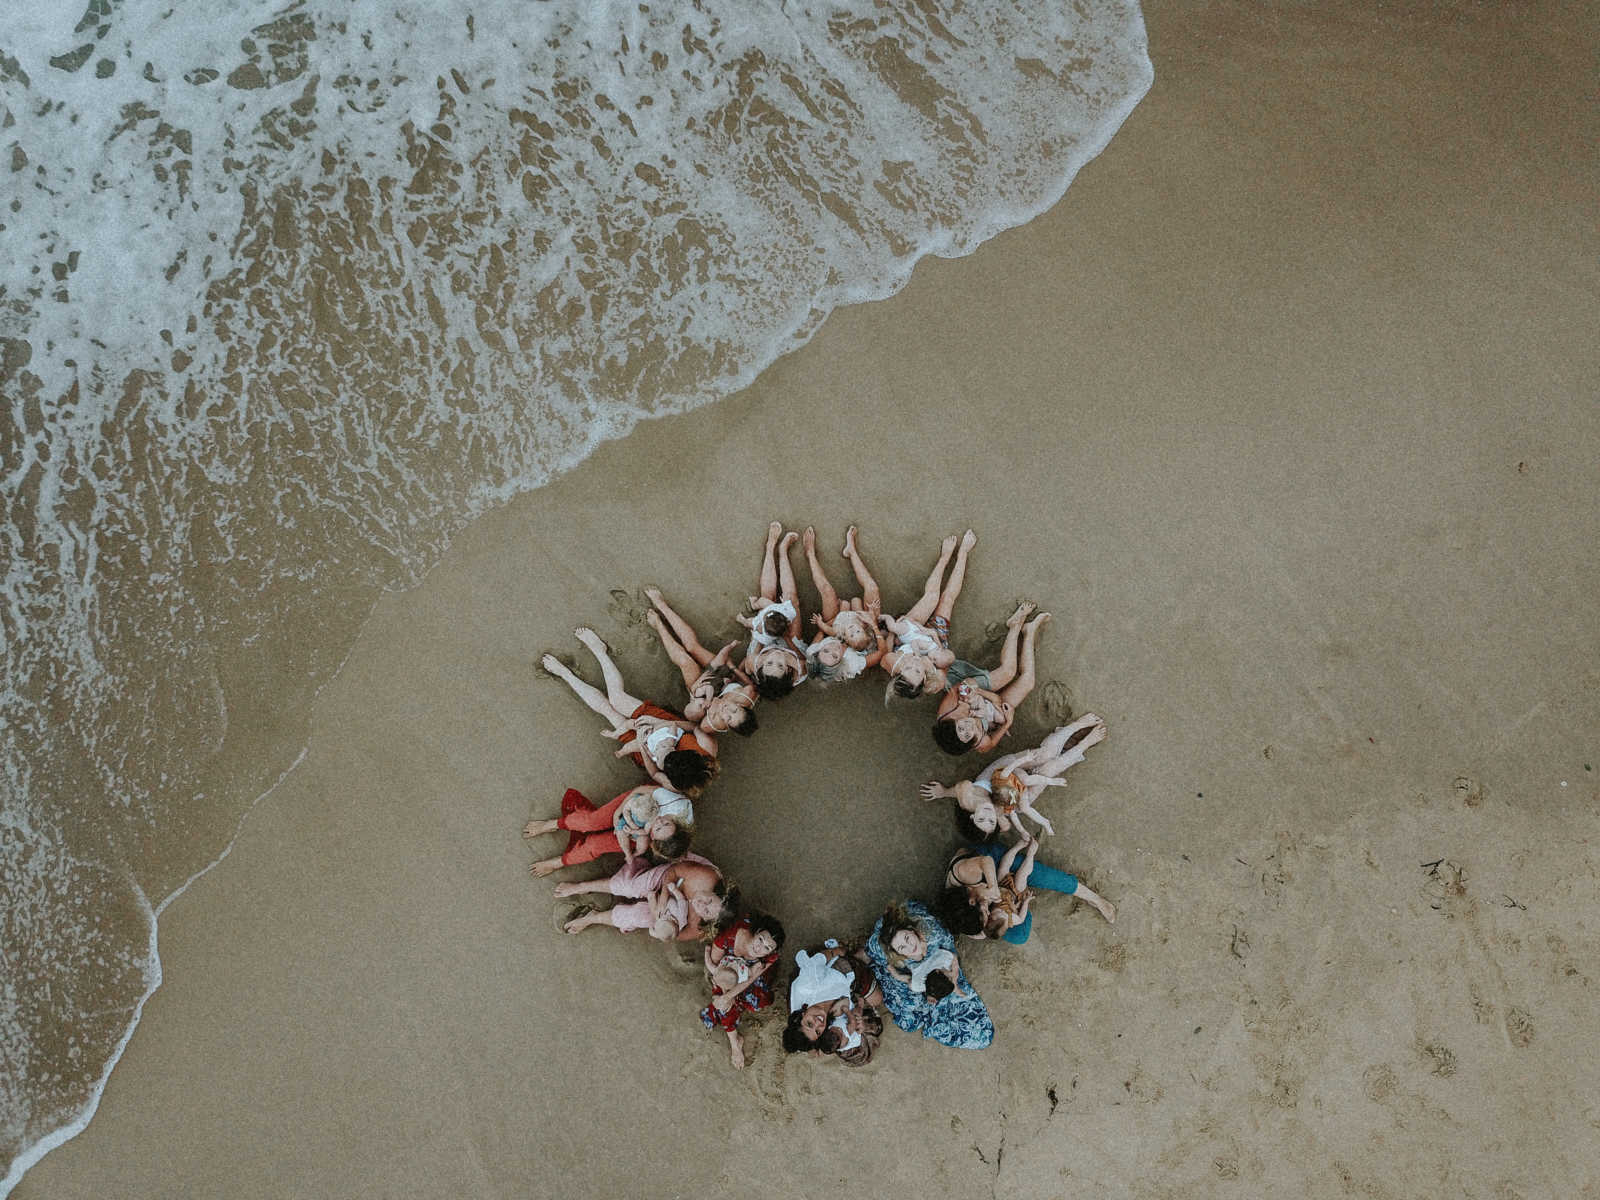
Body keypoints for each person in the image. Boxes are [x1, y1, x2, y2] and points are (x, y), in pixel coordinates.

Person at [540, 626, 717, 795]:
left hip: (644, 747)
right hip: (666, 725)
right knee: (616, 698)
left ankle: (565, 674)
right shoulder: (707, 749)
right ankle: (599, 651)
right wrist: (661, 723)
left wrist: (641, 744)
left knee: (607, 710)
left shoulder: (677, 784)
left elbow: (655, 774)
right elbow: (693, 726)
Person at [921, 712, 1108, 839]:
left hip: (1000, 772)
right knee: (1050, 769)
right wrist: (1021, 830)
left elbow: (957, 790)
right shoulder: (999, 820)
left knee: (1045, 754)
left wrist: (943, 792)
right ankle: (1084, 745)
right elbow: (1007, 825)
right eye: (990, 821)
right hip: (1018, 795)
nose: (987, 815)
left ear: (971, 816)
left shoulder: (966, 795)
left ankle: (1076, 726)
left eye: (980, 818)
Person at [935, 832, 1115, 944]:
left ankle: (1095, 899)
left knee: (1043, 876)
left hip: (995, 862)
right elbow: (972, 930)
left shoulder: (963, 873)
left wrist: (994, 888)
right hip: (1006, 895)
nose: (988, 912)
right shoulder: (965, 915)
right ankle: (1020, 897)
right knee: (1019, 935)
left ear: (972, 900)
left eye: (984, 910)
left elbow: (986, 862)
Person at [863, 901, 993, 1049]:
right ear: (898, 952)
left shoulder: (934, 933)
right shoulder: (890, 954)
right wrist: (896, 974)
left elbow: (951, 955)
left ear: (912, 931)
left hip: (936, 962)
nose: (910, 947)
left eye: (907, 938)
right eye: (902, 947)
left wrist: (954, 977)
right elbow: (875, 953)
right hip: (914, 971)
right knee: (911, 1007)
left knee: (953, 997)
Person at [931, 603, 1050, 755]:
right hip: (992, 709)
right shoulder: (981, 743)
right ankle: (1029, 632)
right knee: (1027, 683)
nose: (969, 727)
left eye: (960, 727)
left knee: (1008, 672)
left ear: (953, 721)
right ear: (973, 742)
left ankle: (1015, 626)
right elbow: (991, 743)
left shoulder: (949, 711)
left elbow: (961, 686)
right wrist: (1007, 723)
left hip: (966, 685)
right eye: (967, 735)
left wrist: (977, 691)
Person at [643, 587, 758, 738]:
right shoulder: (748, 695)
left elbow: (694, 716)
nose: (727, 711)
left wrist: (697, 698)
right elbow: (749, 683)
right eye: (735, 710)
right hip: (722, 674)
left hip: (701, 690)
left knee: (686, 661)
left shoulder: (711, 724)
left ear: (728, 725)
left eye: (729, 718)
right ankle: (662, 605)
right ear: (743, 706)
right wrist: (733, 668)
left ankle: (659, 625)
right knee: (692, 647)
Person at [879, 530, 977, 701]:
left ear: (899, 671)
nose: (915, 665)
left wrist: (894, 631)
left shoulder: (892, 662)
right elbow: (946, 660)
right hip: (936, 643)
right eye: (918, 672)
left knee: (932, 597)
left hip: (909, 631)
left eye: (909, 669)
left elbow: (886, 650)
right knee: (947, 599)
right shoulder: (935, 680)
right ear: (924, 679)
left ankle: (945, 557)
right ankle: (963, 554)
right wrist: (935, 644)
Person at [522, 784, 692, 876]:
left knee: (596, 846)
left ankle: (559, 862)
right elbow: (639, 790)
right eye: (666, 823)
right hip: (638, 803)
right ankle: (552, 825)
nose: (660, 821)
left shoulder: (652, 839)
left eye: (658, 829)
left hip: (638, 831)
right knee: (591, 822)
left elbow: (645, 840)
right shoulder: (675, 805)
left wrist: (633, 833)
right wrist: (620, 811)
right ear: (676, 824)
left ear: (653, 840)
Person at [555, 853, 728, 941]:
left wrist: (659, 922)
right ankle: (582, 887)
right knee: (631, 887)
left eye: (705, 911)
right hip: (673, 877)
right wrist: (662, 899)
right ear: (715, 893)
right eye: (710, 900)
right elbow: (674, 871)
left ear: (705, 920)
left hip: (668, 911)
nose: (702, 903)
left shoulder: (699, 928)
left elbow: (673, 935)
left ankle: (593, 918)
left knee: (638, 917)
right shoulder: (704, 877)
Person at [800, 525, 888, 683]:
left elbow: (822, 633)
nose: (834, 648)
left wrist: (836, 618)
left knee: (827, 591)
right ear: (841, 662)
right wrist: (872, 624)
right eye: (835, 656)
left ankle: (810, 554)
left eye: (826, 649)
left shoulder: (812, 651)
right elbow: (882, 651)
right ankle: (852, 551)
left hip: (835, 626)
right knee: (873, 588)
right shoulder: (853, 663)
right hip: (865, 632)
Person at [701, 912, 785, 1069]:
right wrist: (726, 991)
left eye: (767, 947)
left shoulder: (767, 958)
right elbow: (713, 964)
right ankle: (735, 1043)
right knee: (722, 1003)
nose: (760, 948)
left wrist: (729, 995)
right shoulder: (730, 938)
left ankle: (729, 1007)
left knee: (757, 1001)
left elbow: (750, 979)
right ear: (757, 931)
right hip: (724, 971)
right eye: (760, 939)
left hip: (746, 975)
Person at [781, 940, 885, 1067]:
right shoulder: (821, 1031)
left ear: (800, 1016)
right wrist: (859, 1022)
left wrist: (835, 951)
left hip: (840, 970)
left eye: (809, 1023)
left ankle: (857, 957)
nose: (819, 1023)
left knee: (877, 998)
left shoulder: (807, 984)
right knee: (876, 1002)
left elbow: (819, 960)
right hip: (846, 988)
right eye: (818, 1031)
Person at [737, 522, 808, 700]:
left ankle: (770, 547)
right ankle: (783, 552)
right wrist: (787, 638)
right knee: (792, 600)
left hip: (763, 645)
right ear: (788, 671)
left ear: (761, 667)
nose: (776, 659)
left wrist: (762, 630)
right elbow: (801, 655)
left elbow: (753, 652)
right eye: (780, 666)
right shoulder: (799, 670)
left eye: (770, 663)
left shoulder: (754, 663)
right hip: (791, 648)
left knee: (767, 596)